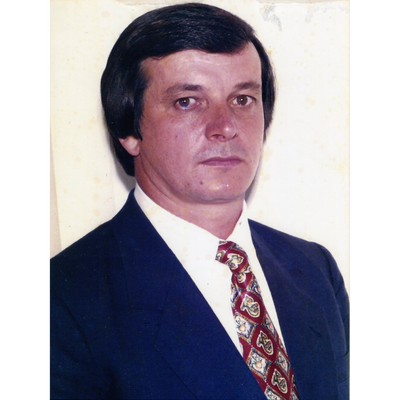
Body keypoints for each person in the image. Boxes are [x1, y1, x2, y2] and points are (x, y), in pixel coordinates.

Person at [47, 3, 349, 399]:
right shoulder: (65, 301)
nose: (225, 127)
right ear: (128, 129)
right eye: (187, 101)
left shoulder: (314, 269)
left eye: (243, 99)